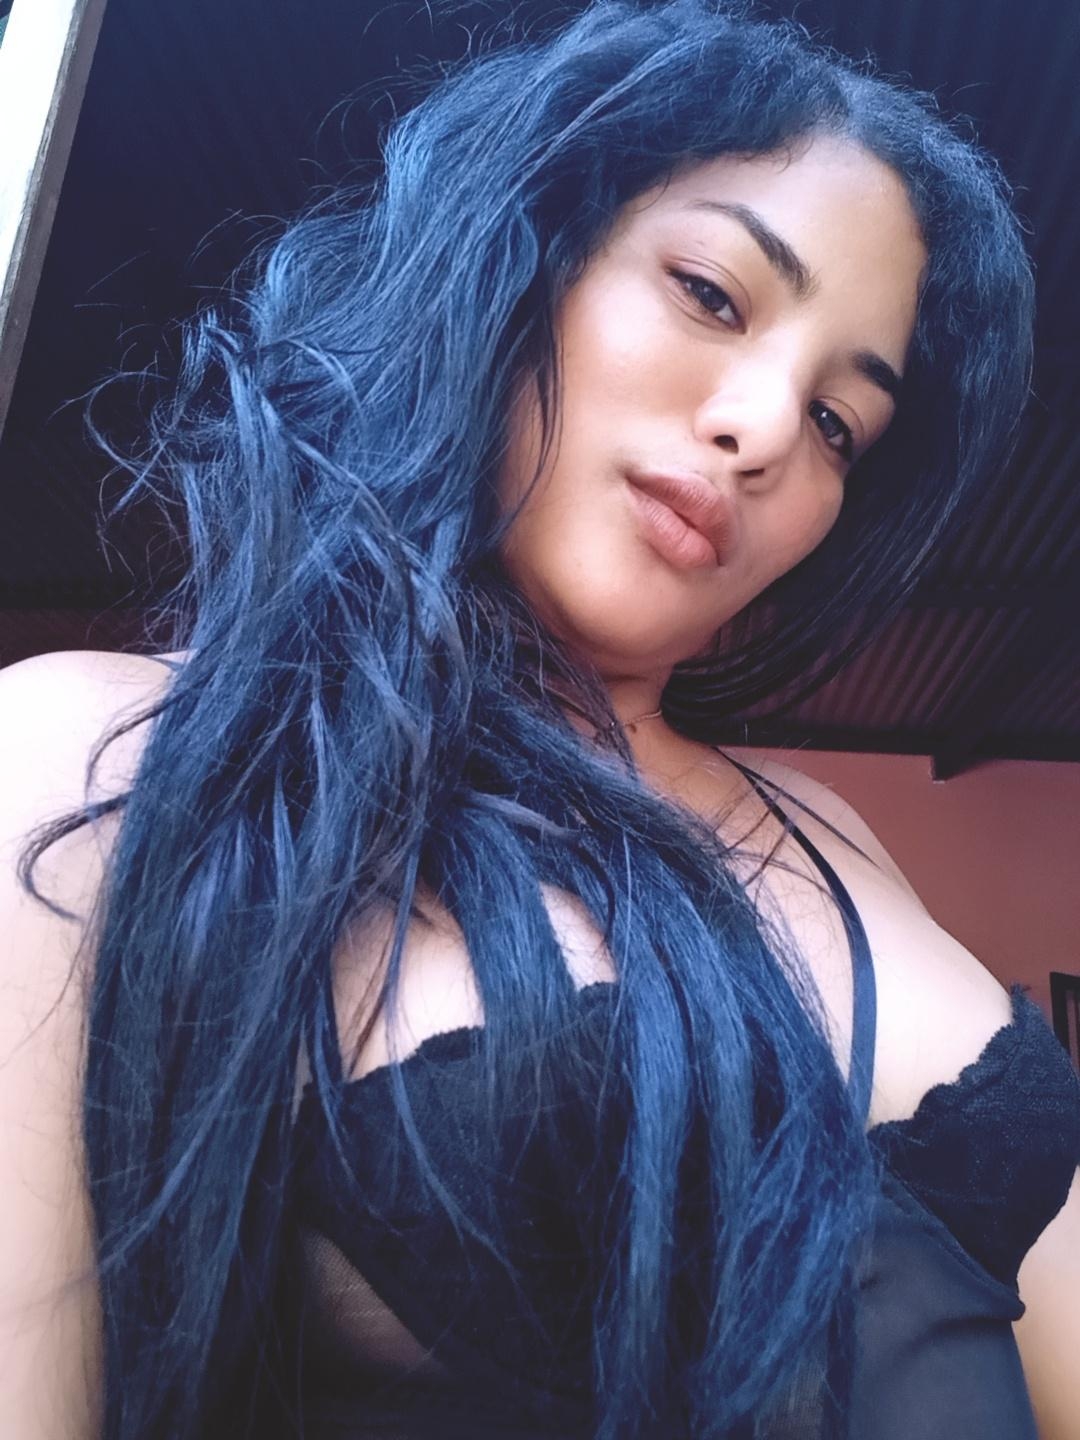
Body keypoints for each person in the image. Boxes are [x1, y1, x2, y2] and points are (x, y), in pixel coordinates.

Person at [2, 1, 1077, 1436]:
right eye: (711, 293)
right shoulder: (100, 760)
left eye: (840, 424)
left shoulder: (836, 838)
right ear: (526, 255)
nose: (766, 427)